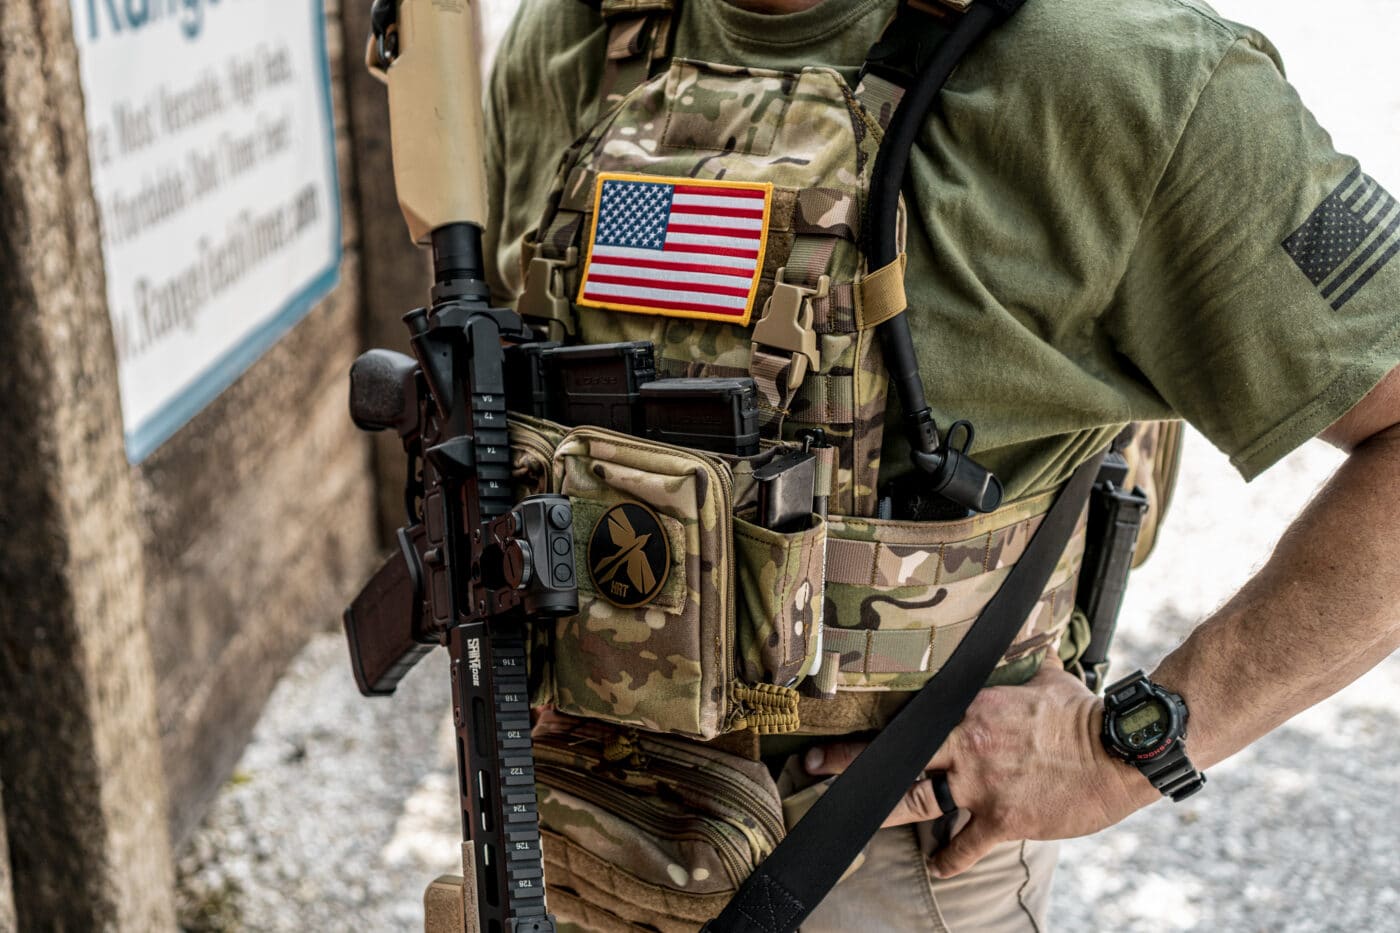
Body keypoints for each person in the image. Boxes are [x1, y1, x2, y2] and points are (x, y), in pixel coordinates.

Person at [481, 0, 1400, 928]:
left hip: (871, 843)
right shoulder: (573, 34)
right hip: (557, 811)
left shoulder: (1129, 77)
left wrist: (1123, 749)